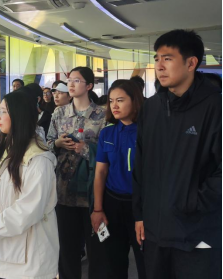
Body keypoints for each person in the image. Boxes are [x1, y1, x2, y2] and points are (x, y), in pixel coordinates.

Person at [133, 30, 222, 279]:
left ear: (191, 63)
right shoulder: (151, 108)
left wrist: (191, 203)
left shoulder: (214, 107)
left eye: (168, 58)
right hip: (155, 232)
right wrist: (139, 214)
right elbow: (140, 165)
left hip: (197, 233)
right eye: (157, 59)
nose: (159, 66)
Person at [0, 90, 59, 279]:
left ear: (20, 116)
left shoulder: (39, 160)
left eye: (4, 111)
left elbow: (29, 210)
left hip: (27, 259)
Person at [47, 66, 107, 279]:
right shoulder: (59, 113)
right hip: (63, 192)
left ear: (89, 86)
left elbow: (108, 153)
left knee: (97, 250)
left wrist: (86, 150)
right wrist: (57, 143)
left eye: (77, 81)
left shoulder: (102, 115)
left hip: (92, 195)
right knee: (67, 249)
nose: (71, 84)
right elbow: (46, 146)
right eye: (70, 80)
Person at [92, 80, 147, 279]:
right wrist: (97, 209)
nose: (114, 105)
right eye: (111, 101)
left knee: (146, 262)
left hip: (141, 206)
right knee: (113, 263)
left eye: (120, 100)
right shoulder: (107, 133)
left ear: (135, 101)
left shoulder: (148, 132)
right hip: (112, 204)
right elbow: (100, 173)